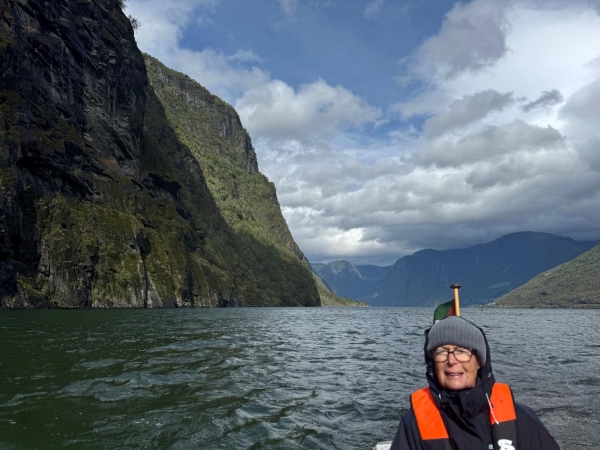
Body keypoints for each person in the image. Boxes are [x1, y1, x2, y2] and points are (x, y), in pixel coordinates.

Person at [390, 316, 560, 449]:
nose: (451, 360)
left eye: (462, 351)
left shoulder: (521, 418)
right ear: (433, 363)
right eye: (441, 352)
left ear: (479, 362)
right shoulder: (413, 425)